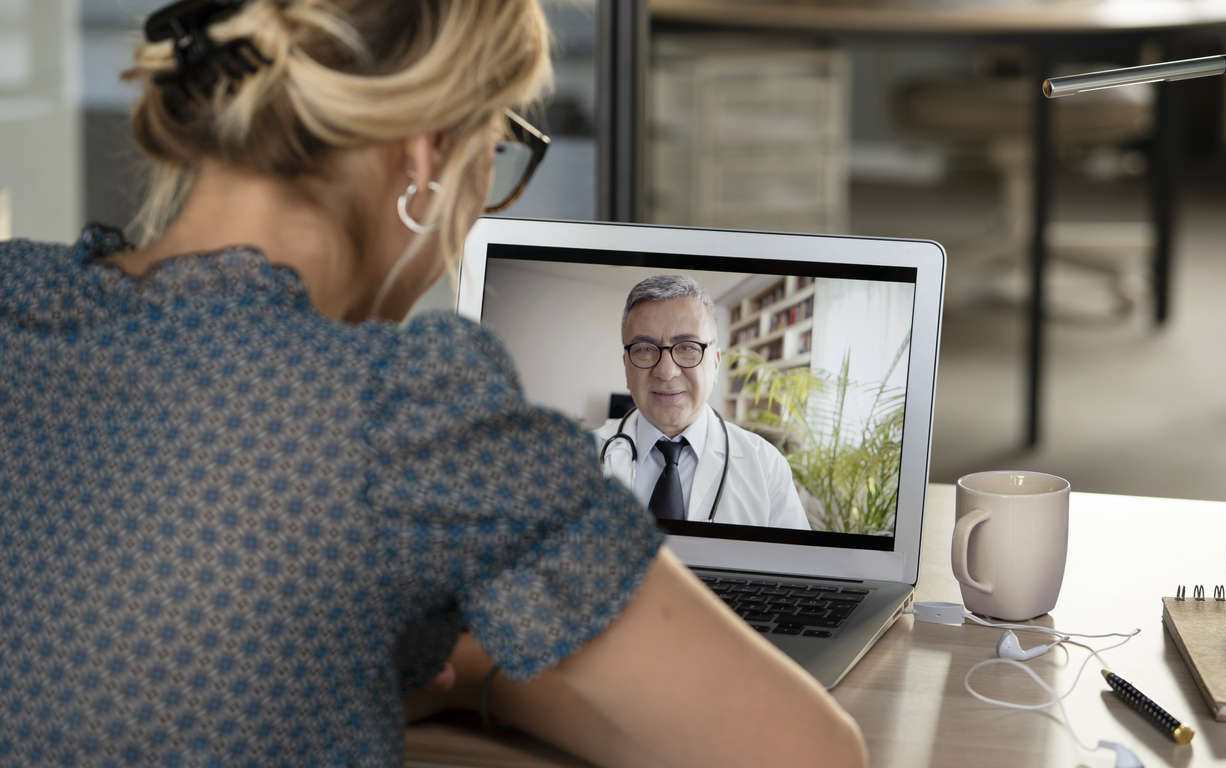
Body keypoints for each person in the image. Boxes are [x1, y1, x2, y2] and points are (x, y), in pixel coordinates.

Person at [0, 1, 865, 767]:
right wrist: (488, 675)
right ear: (428, 156)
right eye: (496, 147)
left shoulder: (17, 300)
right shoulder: (404, 411)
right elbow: (811, 752)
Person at [594, 276, 811, 529]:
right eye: (645, 348)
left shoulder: (767, 468)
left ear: (716, 364)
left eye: (687, 347)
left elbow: (789, 567)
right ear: (626, 366)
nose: (666, 372)